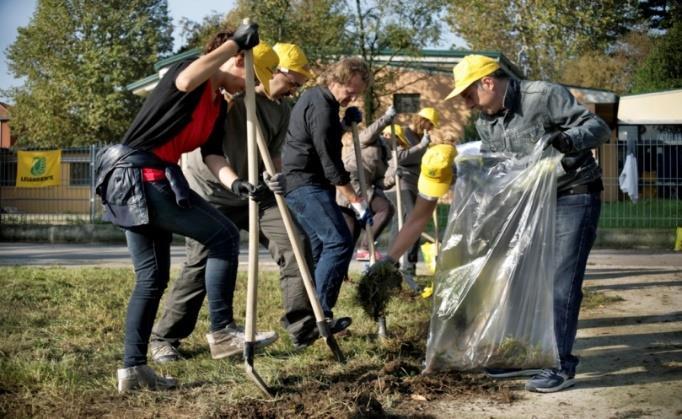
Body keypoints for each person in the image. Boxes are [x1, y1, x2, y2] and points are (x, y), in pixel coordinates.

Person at [94, 23, 272, 392]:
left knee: (152, 278)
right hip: (136, 174)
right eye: (252, 76)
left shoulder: (218, 105)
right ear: (238, 60)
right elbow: (187, 81)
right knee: (222, 235)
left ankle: (133, 370)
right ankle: (222, 332)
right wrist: (235, 43)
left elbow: (212, 155)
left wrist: (236, 183)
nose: (252, 87)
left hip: (151, 178)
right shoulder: (192, 71)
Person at [148, 42, 327, 361]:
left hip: (255, 193)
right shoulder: (233, 93)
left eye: (299, 86)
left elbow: (274, 153)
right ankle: (165, 338)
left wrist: (276, 176)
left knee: (295, 241)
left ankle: (302, 325)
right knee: (201, 262)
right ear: (273, 71)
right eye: (291, 83)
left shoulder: (281, 109)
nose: (293, 91)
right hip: (211, 192)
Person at [443, 54, 610, 392]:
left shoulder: (542, 96)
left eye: (468, 94)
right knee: (514, 277)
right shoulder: (485, 123)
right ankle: (520, 355)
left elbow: (598, 128)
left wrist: (567, 141)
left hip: (572, 193)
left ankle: (559, 364)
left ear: (487, 82)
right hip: (530, 201)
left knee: (560, 281)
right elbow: (502, 170)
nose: (467, 103)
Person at [279, 57, 372, 323]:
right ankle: (321, 313)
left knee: (321, 248)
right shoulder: (321, 106)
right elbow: (329, 160)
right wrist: (355, 200)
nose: (352, 97)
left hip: (308, 183)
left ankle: (306, 317)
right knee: (339, 241)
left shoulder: (322, 103)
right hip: (304, 183)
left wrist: (344, 124)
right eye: (349, 91)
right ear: (334, 80)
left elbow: (323, 136)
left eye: (357, 94)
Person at [337, 106, 397, 262]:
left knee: (351, 231)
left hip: (367, 186)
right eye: (387, 133)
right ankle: (365, 247)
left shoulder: (387, 155)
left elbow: (382, 182)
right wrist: (386, 118)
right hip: (352, 180)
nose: (390, 137)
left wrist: (395, 173)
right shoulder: (368, 139)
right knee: (385, 208)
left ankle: (341, 271)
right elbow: (371, 131)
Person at [392, 107, 440, 275]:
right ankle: (400, 266)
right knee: (413, 222)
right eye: (429, 124)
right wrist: (421, 146)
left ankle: (405, 266)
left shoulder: (422, 137)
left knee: (406, 224)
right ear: (421, 120)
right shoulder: (402, 134)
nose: (430, 128)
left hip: (417, 184)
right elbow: (400, 158)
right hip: (403, 183)